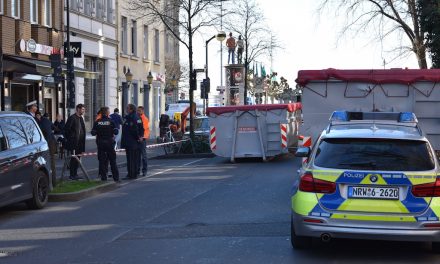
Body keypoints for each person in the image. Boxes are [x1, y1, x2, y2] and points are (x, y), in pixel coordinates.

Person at [91, 106, 120, 182]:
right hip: (109, 143)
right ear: (107, 113)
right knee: (113, 161)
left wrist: (97, 131)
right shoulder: (111, 121)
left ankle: (103, 178)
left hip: (100, 143)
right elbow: (116, 131)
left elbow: (93, 133)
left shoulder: (97, 122)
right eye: (109, 111)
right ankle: (116, 178)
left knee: (102, 161)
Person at [64, 104, 86, 180]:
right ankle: (72, 175)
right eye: (82, 109)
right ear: (78, 109)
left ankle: (75, 174)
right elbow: (66, 130)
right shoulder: (72, 118)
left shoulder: (81, 118)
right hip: (74, 143)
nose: (83, 111)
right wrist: (71, 137)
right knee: (73, 159)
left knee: (78, 158)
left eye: (83, 109)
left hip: (80, 143)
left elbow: (83, 130)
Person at [121, 104, 144, 180]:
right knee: (134, 158)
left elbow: (135, 130)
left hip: (131, 141)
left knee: (131, 159)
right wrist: (140, 137)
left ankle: (132, 174)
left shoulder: (131, 117)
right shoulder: (137, 117)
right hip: (134, 141)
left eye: (127, 108)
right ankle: (134, 173)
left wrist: (138, 137)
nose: (126, 109)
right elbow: (141, 129)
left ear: (131, 109)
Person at [35, 111, 57, 186]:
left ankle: (50, 183)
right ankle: (53, 182)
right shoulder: (47, 121)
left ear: (38, 116)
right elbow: (55, 128)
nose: (36, 118)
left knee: (47, 163)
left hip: (47, 144)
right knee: (52, 162)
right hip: (52, 142)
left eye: (37, 116)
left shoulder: (40, 123)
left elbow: (44, 134)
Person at [137, 106, 150, 177]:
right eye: (137, 111)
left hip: (143, 139)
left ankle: (144, 170)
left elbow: (143, 129)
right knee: (138, 156)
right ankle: (138, 170)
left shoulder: (144, 119)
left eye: (139, 111)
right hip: (138, 138)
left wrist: (141, 137)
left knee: (143, 155)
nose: (138, 112)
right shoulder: (138, 118)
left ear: (142, 111)